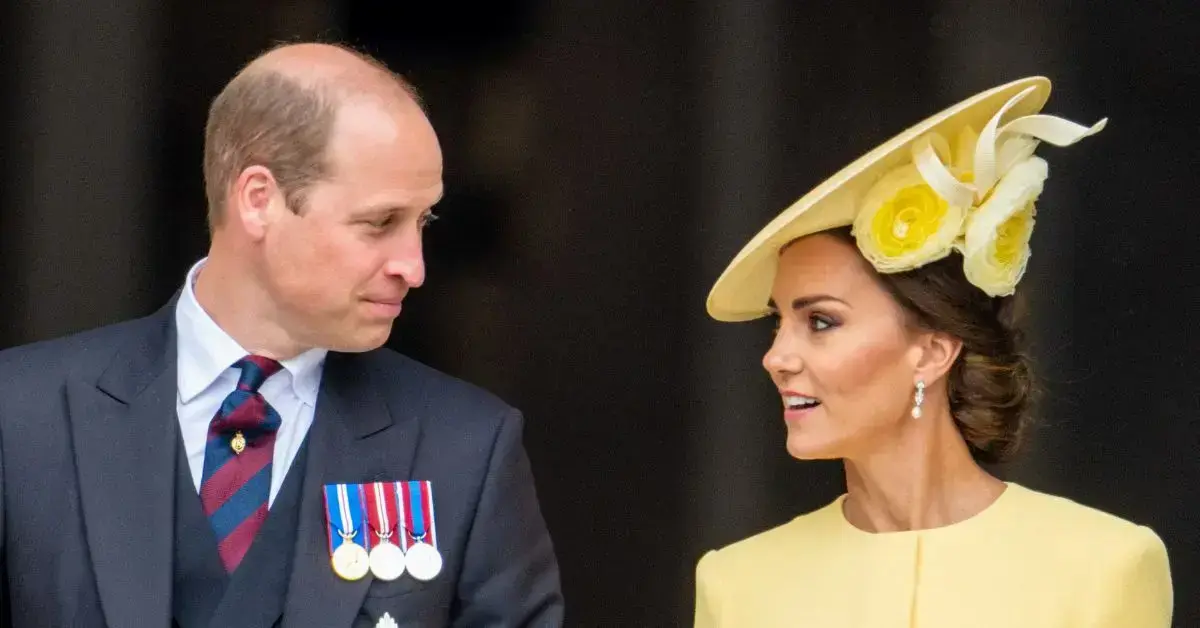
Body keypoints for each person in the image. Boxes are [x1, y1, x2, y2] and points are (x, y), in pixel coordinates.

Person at [0, 42, 563, 628]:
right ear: (259, 201)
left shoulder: (465, 447)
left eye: (423, 222)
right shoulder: (20, 418)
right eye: (380, 223)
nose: (414, 266)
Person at [693, 77, 1173, 627]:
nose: (776, 357)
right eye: (778, 323)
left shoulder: (1105, 567)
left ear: (933, 350)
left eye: (820, 321)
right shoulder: (737, 583)